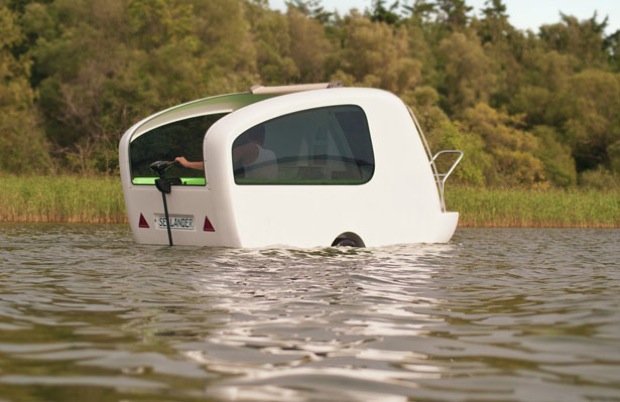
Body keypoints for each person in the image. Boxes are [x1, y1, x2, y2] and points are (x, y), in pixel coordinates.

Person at [175, 124, 277, 179]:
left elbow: (215, 165)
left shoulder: (249, 149)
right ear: (263, 135)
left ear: (247, 134)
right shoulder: (271, 153)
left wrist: (187, 164)